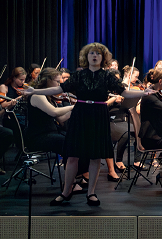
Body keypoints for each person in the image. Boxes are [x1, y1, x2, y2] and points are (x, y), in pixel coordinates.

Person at [24, 43, 154, 207]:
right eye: (92, 53)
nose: (94, 56)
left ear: (102, 57)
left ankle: (91, 193)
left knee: (95, 156)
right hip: (81, 113)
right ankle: (66, 192)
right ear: (87, 56)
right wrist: (34, 91)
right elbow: (57, 89)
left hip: (99, 115)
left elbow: (125, 92)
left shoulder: (107, 76)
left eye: (98, 54)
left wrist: (144, 92)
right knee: (72, 155)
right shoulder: (79, 76)